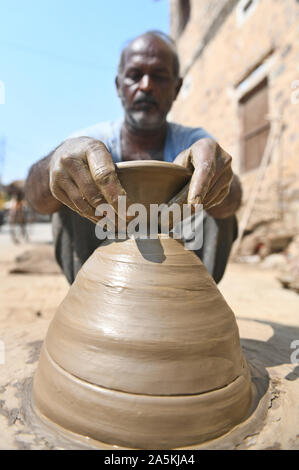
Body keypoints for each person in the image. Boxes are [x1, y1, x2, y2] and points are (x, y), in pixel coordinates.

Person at [25, 31, 242, 284]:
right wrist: (54, 164)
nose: (146, 85)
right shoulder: (94, 138)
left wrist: (219, 177)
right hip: (106, 281)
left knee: (218, 193)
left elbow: (233, 199)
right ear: (119, 86)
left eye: (159, 76)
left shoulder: (191, 140)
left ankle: (195, 306)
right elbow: (34, 198)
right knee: (65, 185)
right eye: (134, 75)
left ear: (176, 88)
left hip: (178, 283)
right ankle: (93, 309)